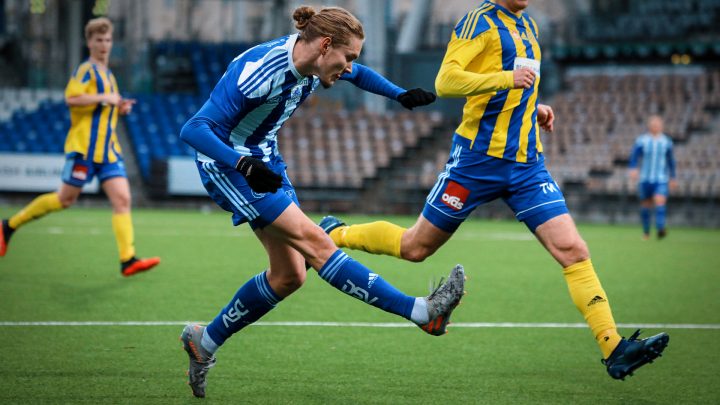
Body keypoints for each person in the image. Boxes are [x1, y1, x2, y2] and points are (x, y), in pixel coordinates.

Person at [320, 0, 668, 380]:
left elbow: (517, 86)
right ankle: (335, 233)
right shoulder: (478, 22)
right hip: (476, 162)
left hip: (526, 165)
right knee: (415, 247)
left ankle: (613, 347)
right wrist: (506, 81)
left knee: (573, 250)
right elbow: (446, 81)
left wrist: (532, 107)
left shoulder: (528, 26)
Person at [177, 6, 465, 398]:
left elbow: (359, 74)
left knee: (289, 277)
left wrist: (399, 94)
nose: (349, 68)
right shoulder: (261, 71)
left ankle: (203, 342)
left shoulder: (315, 64)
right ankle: (421, 312)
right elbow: (194, 128)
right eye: (347, 58)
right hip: (227, 165)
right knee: (316, 244)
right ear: (326, 45)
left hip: (263, 159)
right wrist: (242, 163)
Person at [0, 17, 160, 276]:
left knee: (122, 199)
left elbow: (103, 108)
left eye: (108, 40)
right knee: (65, 199)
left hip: (108, 151)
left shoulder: (109, 75)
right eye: (99, 40)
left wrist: (120, 108)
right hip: (85, 147)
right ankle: (9, 225)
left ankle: (127, 259)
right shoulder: (86, 70)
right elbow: (72, 98)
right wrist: (105, 97)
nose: (104, 44)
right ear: (89, 42)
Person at [629, 115, 677, 240]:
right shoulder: (642, 140)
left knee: (659, 201)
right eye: (653, 125)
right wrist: (633, 168)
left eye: (658, 125)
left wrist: (673, 177)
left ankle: (660, 228)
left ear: (661, 126)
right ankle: (646, 232)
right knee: (646, 206)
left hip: (660, 179)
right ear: (649, 126)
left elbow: (671, 161)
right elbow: (634, 156)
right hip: (645, 178)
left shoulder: (666, 142)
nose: (655, 127)